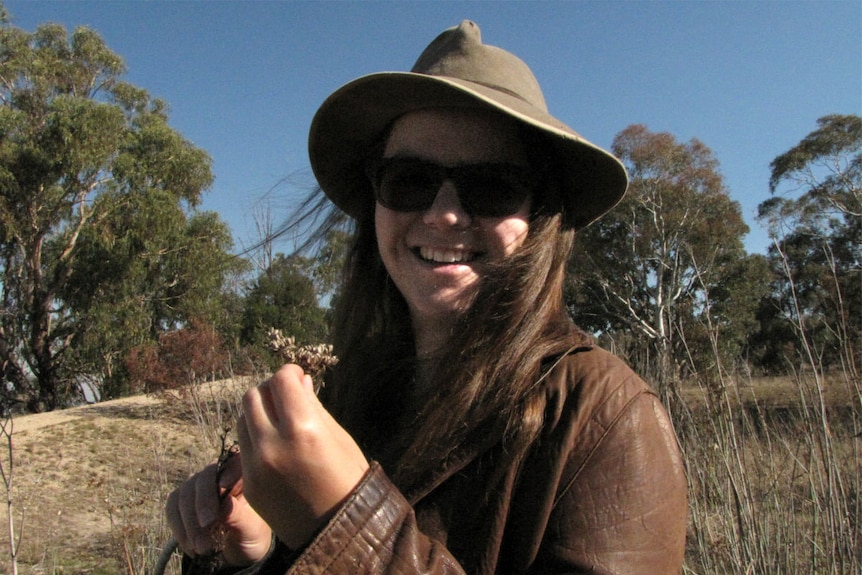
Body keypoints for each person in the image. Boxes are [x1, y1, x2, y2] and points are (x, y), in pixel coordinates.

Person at [165, 20, 688, 574]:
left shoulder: (606, 419)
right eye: (409, 179)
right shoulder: (346, 391)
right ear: (376, 203)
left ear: (539, 217)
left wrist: (341, 523)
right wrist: (251, 556)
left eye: (492, 186)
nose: (443, 214)